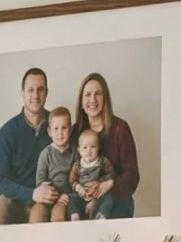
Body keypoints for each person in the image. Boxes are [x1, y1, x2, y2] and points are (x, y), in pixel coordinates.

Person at [72, 72, 141, 218]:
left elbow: (132, 175)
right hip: (84, 198)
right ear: (81, 101)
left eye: (98, 94)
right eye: (87, 95)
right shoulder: (75, 131)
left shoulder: (120, 128)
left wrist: (108, 185)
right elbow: (69, 172)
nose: (93, 99)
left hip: (115, 200)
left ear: (105, 99)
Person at [0, 67, 52, 225]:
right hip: (13, 199)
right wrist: (31, 194)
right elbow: (0, 181)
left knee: (37, 233)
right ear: (22, 94)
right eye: (30, 90)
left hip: (45, 201)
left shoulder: (58, 126)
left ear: (47, 93)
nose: (35, 95)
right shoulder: (7, 132)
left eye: (40, 89)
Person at [31, 106, 78, 223]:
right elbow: (40, 180)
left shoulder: (75, 153)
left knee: (58, 217)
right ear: (49, 132)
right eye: (56, 129)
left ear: (70, 130)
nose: (60, 133)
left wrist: (67, 196)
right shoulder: (45, 154)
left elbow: (78, 179)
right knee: (36, 216)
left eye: (64, 128)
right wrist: (48, 192)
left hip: (65, 198)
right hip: (47, 196)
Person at [71, 129, 117, 218]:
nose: (89, 151)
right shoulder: (77, 164)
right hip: (83, 193)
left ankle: (101, 215)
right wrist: (79, 188)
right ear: (79, 150)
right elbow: (72, 179)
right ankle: (75, 215)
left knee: (108, 199)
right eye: (85, 147)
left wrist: (100, 182)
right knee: (72, 198)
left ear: (98, 147)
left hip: (98, 192)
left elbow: (111, 175)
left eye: (93, 147)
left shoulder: (103, 161)